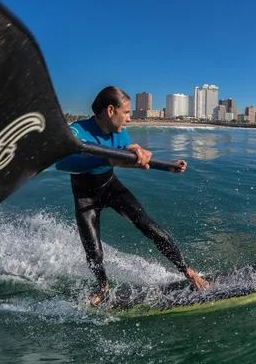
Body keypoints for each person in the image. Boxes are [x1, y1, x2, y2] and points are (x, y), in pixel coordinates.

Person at [55, 86, 208, 305]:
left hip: (110, 185)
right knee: (93, 250)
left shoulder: (119, 132)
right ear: (110, 111)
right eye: (126, 112)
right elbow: (62, 163)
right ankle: (102, 287)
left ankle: (188, 271)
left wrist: (168, 167)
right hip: (85, 195)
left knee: (150, 227)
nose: (129, 118)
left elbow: (129, 160)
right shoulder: (77, 131)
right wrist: (107, 159)